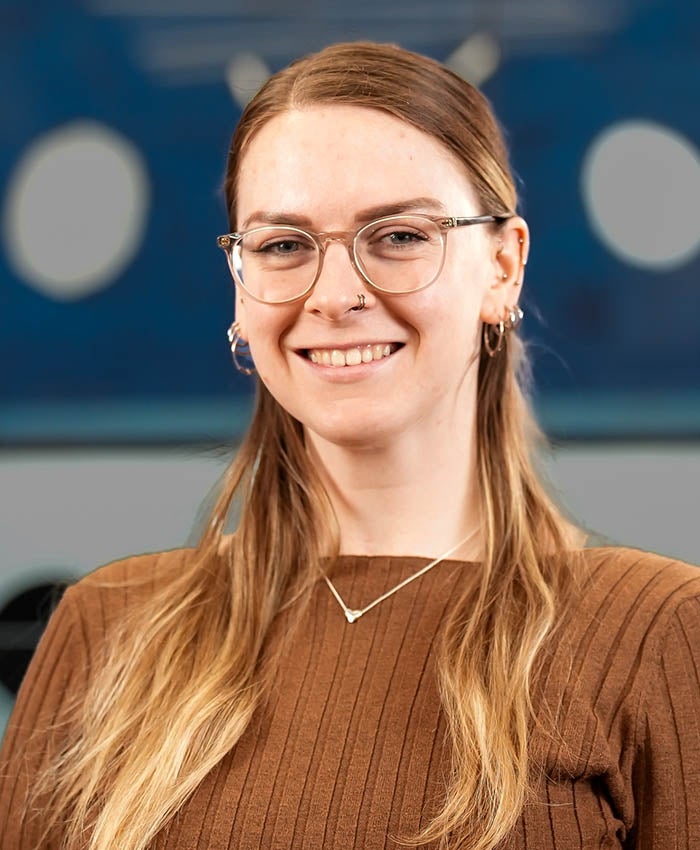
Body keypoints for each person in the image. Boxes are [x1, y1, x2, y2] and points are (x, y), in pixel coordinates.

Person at [0, 41, 698, 850]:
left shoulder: (658, 635)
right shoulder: (104, 629)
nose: (335, 296)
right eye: (283, 245)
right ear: (240, 283)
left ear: (503, 266)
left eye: (399, 236)